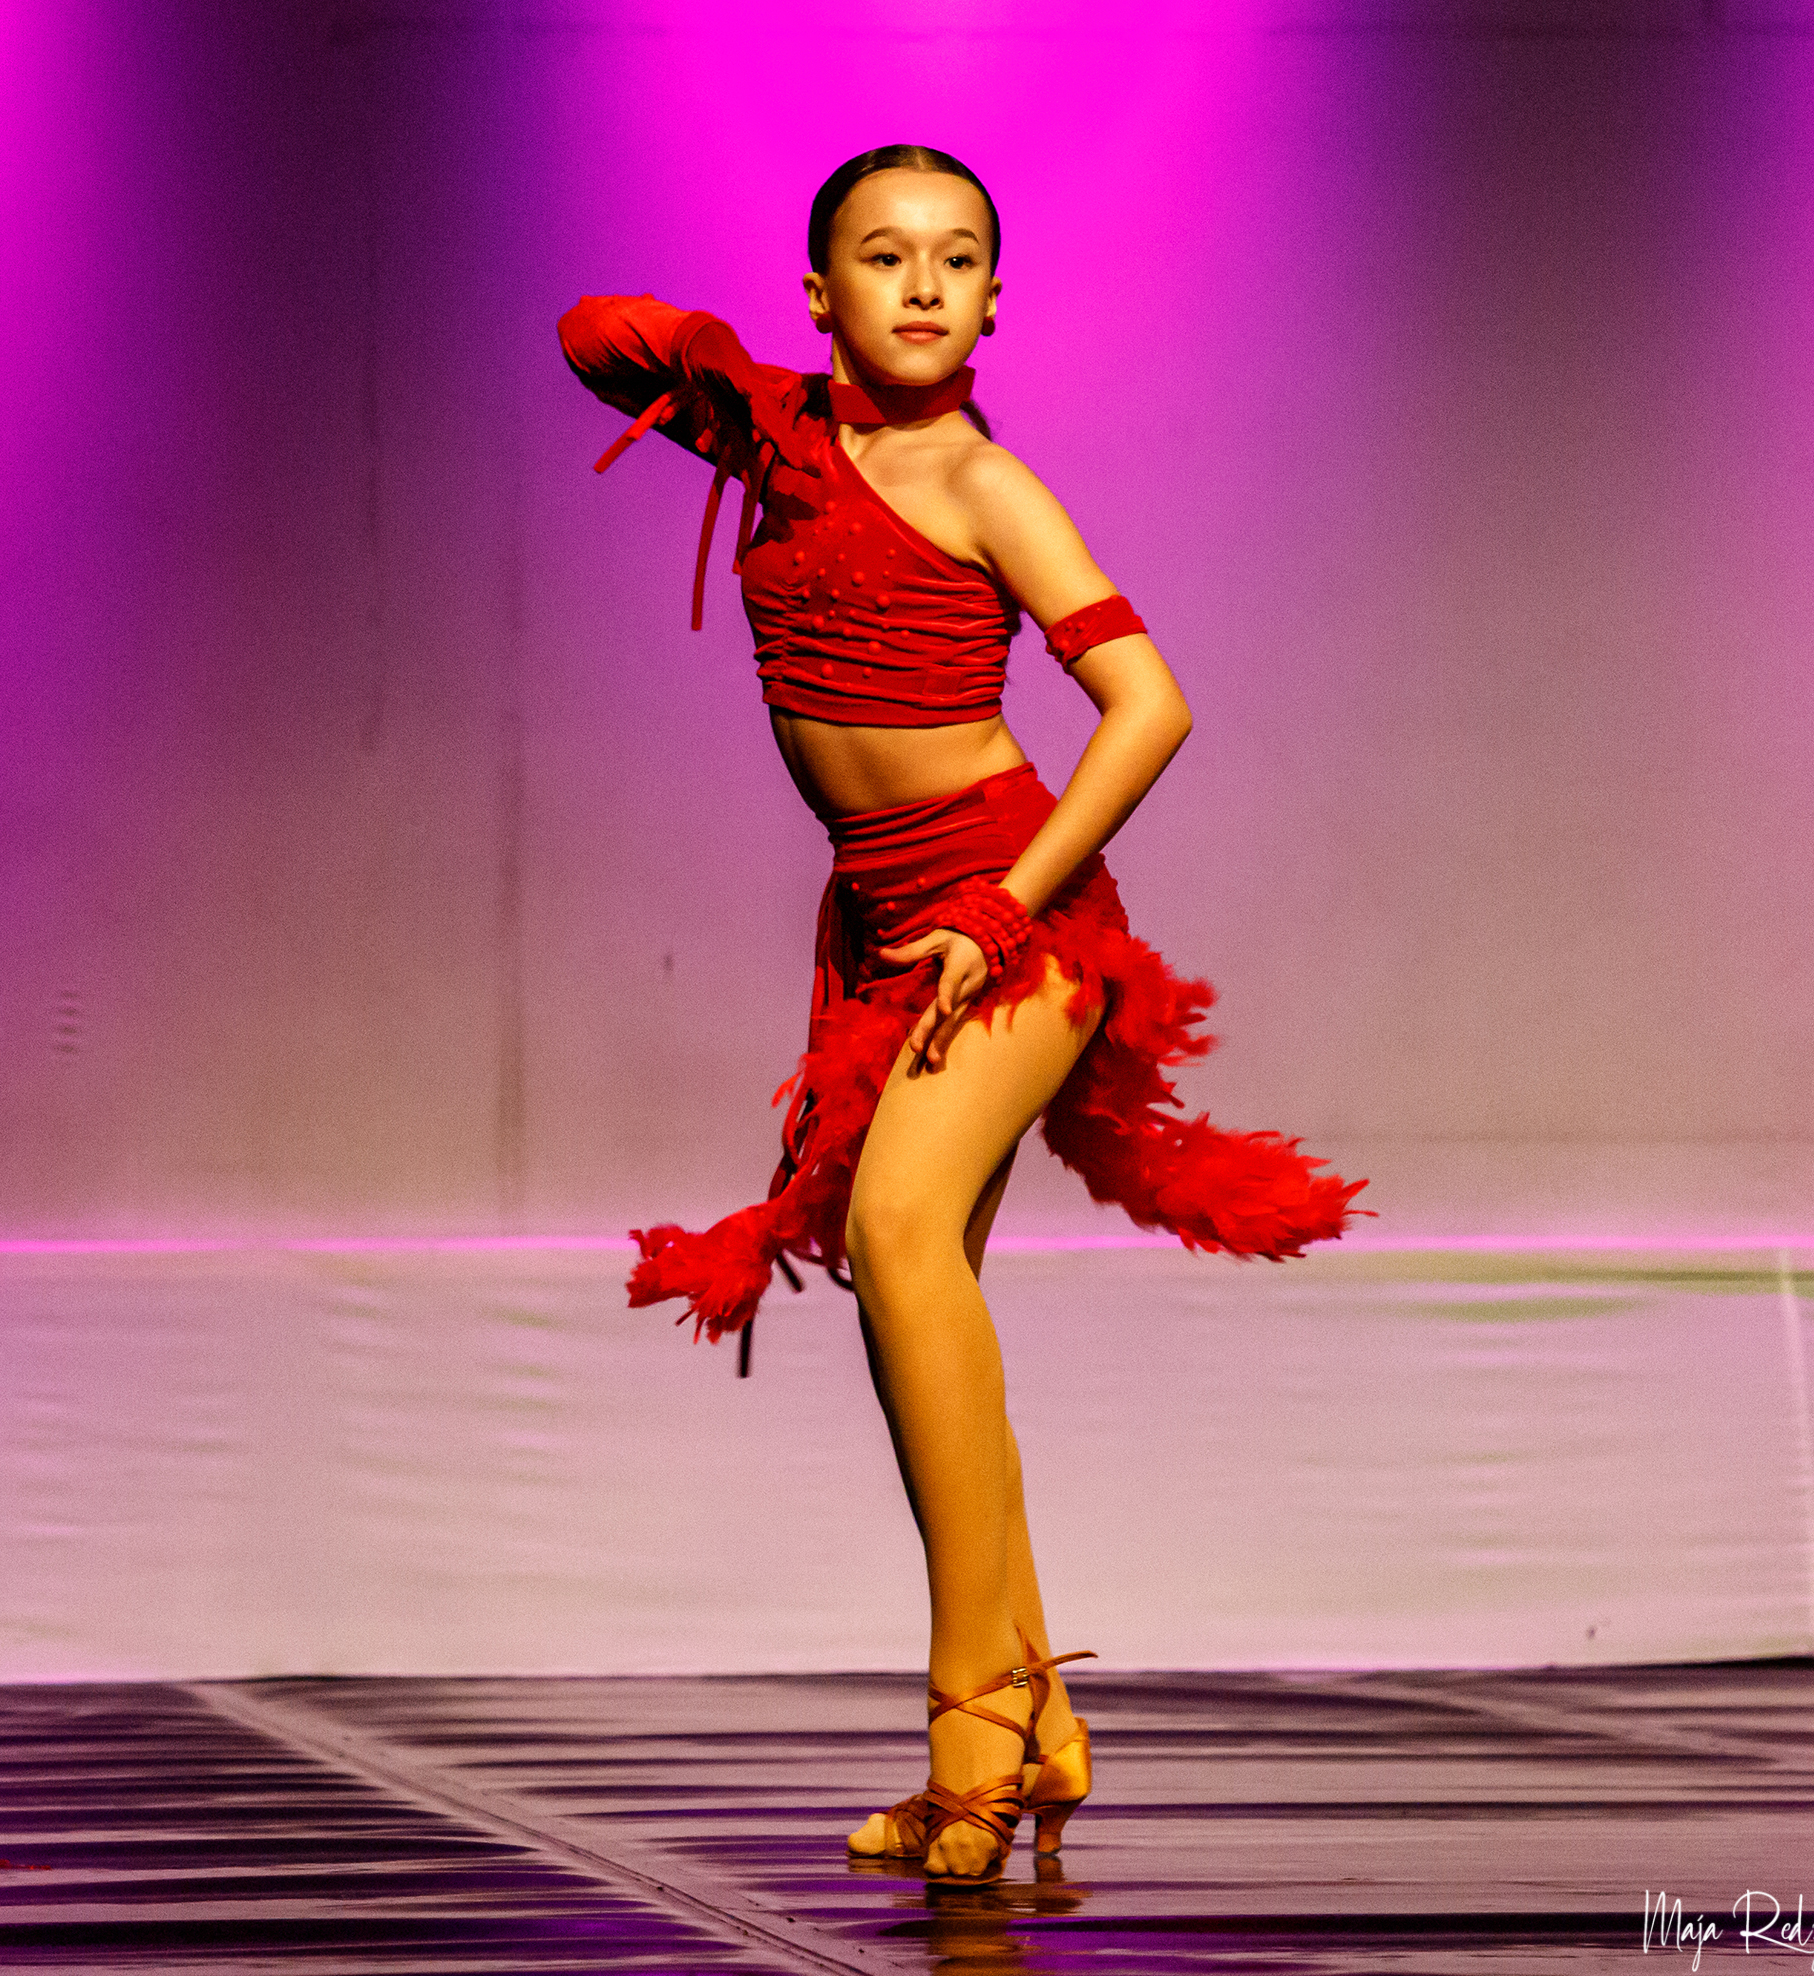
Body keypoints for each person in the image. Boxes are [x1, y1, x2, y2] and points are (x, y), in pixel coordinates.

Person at [559, 145, 1366, 1882]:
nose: (923, 284)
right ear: (821, 290)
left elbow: (1149, 706)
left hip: (1015, 914)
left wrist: (1000, 913)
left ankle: (970, 1727)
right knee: (914, 1295)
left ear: (998, 301)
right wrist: (743, 386)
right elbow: (589, 336)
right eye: (883, 255)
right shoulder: (782, 450)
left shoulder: (988, 483)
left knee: (897, 1231)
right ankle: (1042, 1713)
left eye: (956, 259)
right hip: (882, 926)